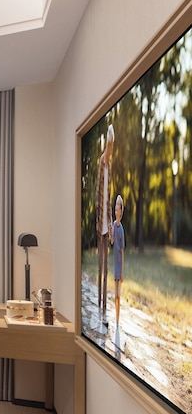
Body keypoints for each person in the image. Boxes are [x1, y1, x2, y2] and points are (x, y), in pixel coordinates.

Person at [95, 125, 114, 326]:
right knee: (100, 266)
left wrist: (110, 225)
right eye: (109, 145)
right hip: (100, 222)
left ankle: (104, 306)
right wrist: (99, 220)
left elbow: (108, 200)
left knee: (107, 268)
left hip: (107, 224)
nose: (111, 149)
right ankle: (99, 302)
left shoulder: (110, 167)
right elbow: (98, 194)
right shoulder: (102, 163)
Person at [112, 194, 125, 326]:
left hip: (119, 265)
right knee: (114, 294)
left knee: (118, 295)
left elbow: (122, 250)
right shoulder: (113, 226)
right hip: (114, 263)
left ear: (121, 211)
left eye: (118, 208)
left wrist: (122, 272)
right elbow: (111, 241)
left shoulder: (121, 229)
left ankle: (117, 319)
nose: (116, 210)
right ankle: (115, 317)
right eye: (115, 208)